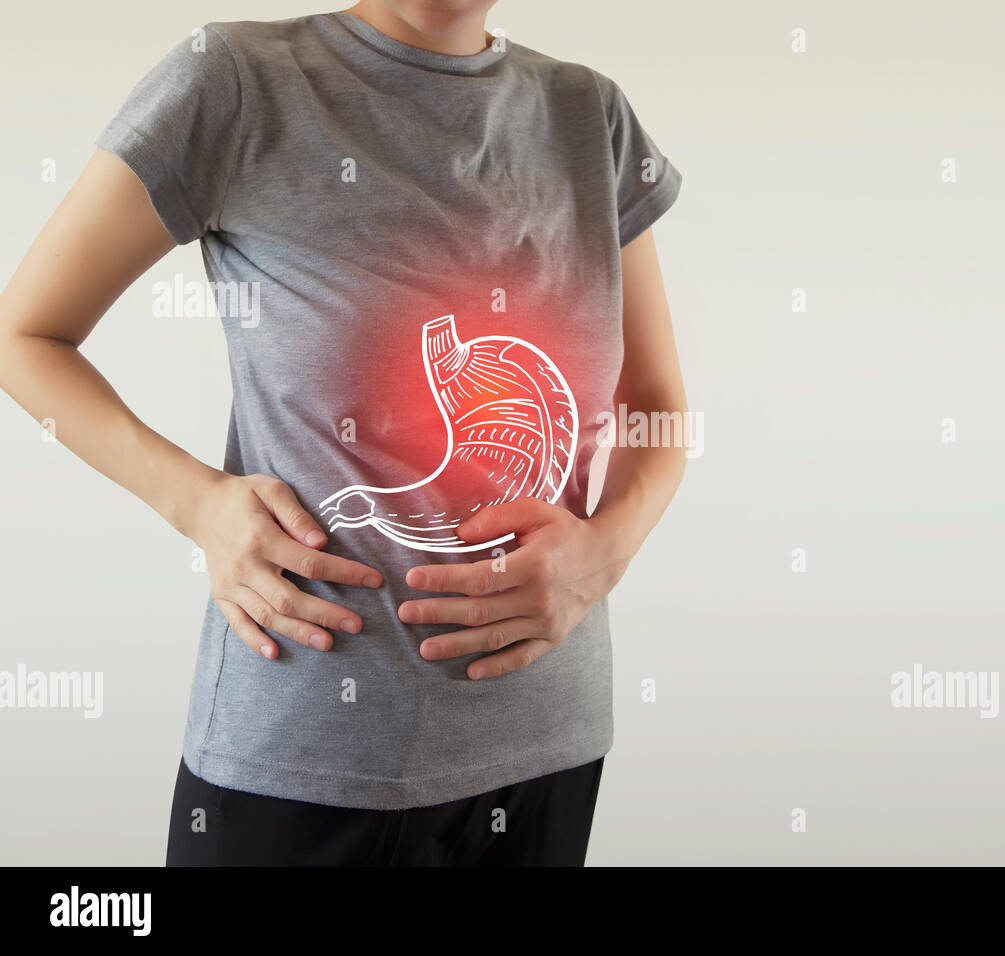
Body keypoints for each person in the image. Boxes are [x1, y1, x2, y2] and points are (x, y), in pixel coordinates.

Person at [0, 0, 687, 866]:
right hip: (304, 761)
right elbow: (22, 336)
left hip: (543, 748)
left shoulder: (592, 115)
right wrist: (196, 504)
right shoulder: (236, 81)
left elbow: (657, 401)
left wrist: (606, 553)